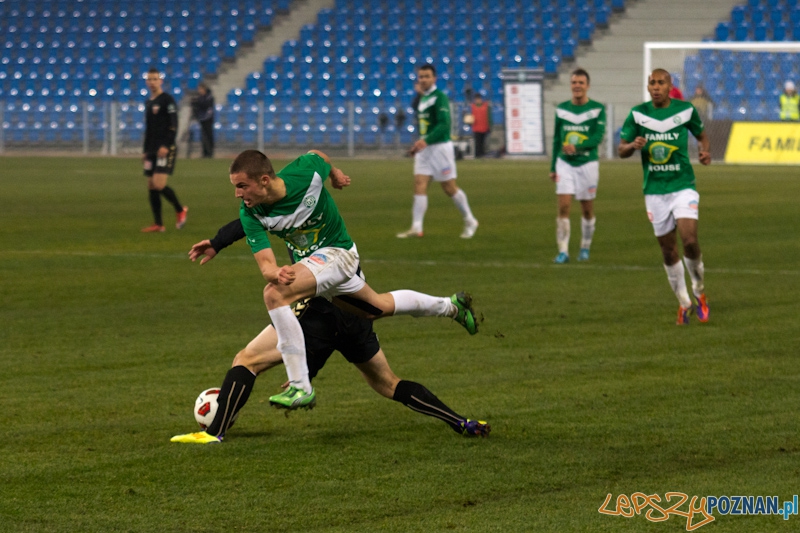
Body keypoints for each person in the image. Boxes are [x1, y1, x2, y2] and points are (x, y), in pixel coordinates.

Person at [170, 220, 490, 444]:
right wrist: (217, 241)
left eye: (244, 188)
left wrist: (305, 372)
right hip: (354, 314)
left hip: (318, 312)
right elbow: (250, 217)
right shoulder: (315, 210)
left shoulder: (289, 212)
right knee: (388, 382)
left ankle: (215, 433)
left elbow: (251, 218)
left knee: (248, 359)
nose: (244, 198)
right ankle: (460, 421)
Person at [216, 149, 478, 411]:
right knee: (377, 308)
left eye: (242, 186)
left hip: (339, 254)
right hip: (315, 269)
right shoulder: (250, 212)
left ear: (263, 180)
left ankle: (300, 385)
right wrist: (274, 272)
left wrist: (335, 174)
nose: (238, 194)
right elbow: (266, 265)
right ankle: (451, 306)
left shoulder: (305, 171)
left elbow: (319, 155)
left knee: (274, 295)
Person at [618, 68, 711, 326]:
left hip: (683, 185)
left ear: (670, 86)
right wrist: (631, 146)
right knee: (668, 250)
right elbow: (621, 150)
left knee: (690, 240)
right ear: (648, 87)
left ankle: (700, 290)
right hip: (655, 191)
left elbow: (702, 136)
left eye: (661, 82)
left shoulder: (685, 111)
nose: (656, 86)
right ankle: (684, 303)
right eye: (652, 83)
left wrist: (705, 152)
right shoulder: (638, 114)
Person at [397, 64, 479, 239]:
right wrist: (422, 143)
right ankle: (416, 227)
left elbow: (444, 125)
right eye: (421, 76)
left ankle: (470, 219)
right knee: (419, 183)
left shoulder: (439, 97)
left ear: (434, 79)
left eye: (427, 76)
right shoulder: (424, 98)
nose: (424, 79)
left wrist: (425, 140)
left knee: (449, 188)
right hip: (425, 148)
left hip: (440, 148)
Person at [549, 68, 606, 264]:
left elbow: (598, 137)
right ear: (570, 85)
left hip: (587, 165)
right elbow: (557, 139)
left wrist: (578, 146)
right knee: (563, 206)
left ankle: (585, 247)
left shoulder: (597, 109)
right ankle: (563, 251)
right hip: (564, 164)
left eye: (581, 83)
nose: (577, 86)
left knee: (587, 210)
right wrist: (552, 167)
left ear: (587, 86)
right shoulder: (562, 109)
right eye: (574, 82)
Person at [141, 67, 188, 233]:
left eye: (155, 79)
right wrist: (145, 150)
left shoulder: (167, 100)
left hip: (165, 148)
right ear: (146, 82)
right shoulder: (149, 102)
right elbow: (149, 129)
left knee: (159, 184)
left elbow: (173, 125)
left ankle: (180, 209)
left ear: (160, 81)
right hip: (152, 148)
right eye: (149, 79)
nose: (152, 82)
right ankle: (158, 224)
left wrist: (166, 145)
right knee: (151, 185)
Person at [190, 82, 215, 158]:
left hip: (208, 119)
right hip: (202, 119)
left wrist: (197, 103)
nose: (199, 91)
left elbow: (207, 107)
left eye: (200, 89)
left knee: (208, 135)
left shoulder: (209, 97)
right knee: (204, 136)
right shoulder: (200, 98)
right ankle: (205, 152)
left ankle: (210, 152)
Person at [470, 92, 492, 158]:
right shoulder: (473, 107)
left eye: (479, 99)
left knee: (483, 142)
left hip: (484, 127)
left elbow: (489, 117)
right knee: (477, 142)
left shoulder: (486, 106)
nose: (478, 101)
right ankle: (477, 154)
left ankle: (482, 154)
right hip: (476, 127)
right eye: (476, 99)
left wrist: (490, 126)